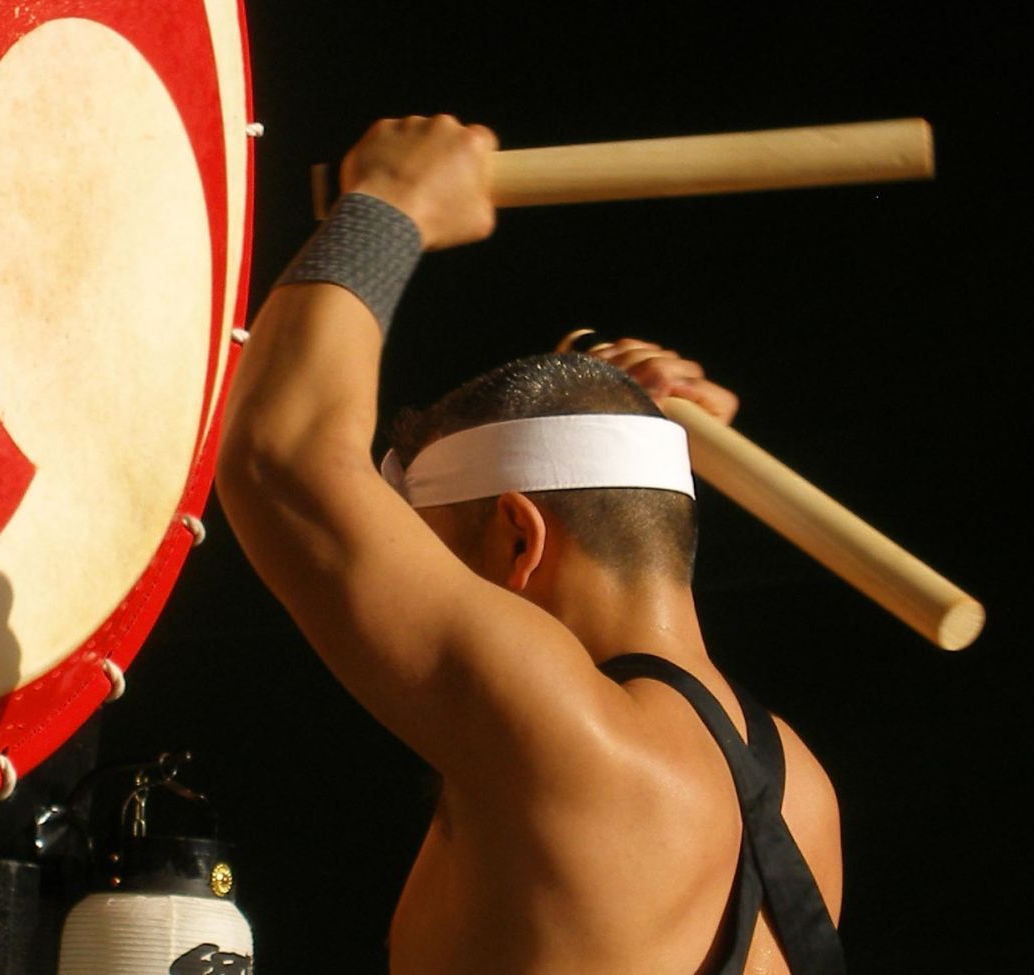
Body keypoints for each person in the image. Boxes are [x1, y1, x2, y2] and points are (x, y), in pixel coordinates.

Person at [216, 115, 844, 974]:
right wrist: (612, 406)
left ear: (518, 536)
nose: (415, 582)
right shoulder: (797, 788)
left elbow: (281, 457)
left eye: (428, 552)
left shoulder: (574, 737)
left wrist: (388, 205)